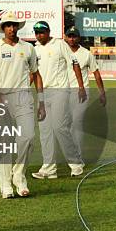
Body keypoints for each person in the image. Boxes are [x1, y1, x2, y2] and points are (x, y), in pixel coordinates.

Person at [0, 11, 45, 198]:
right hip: (2, 98)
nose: (11, 28)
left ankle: (18, 176)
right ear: (3, 28)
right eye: (8, 25)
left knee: (27, 138)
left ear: (18, 27)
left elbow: (36, 75)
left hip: (23, 97)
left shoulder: (28, 48)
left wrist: (41, 102)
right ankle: (5, 185)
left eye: (14, 25)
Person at [31, 21, 86, 179]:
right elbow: (34, 74)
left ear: (48, 32)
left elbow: (74, 64)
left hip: (60, 91)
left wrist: (81, 86)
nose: (39, 35)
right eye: (36, 32)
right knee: (44, 132)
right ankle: (49, 169)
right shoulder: (35, 49)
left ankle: (76, 163)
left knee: (59, 127)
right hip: (43, 93)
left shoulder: (60, 44)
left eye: (42, 32)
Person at [64, 26, 106, 163]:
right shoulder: (61, 51)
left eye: (74, 36)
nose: (71, 39)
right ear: (65, 37)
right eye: (69, 36)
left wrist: (102, 93)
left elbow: (96, 74)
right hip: (63, 92)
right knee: (66, 126)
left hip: (81, 92)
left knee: (77, 122)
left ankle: (78, 157)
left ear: (78, 38)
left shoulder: (86, 54)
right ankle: (71, 155)